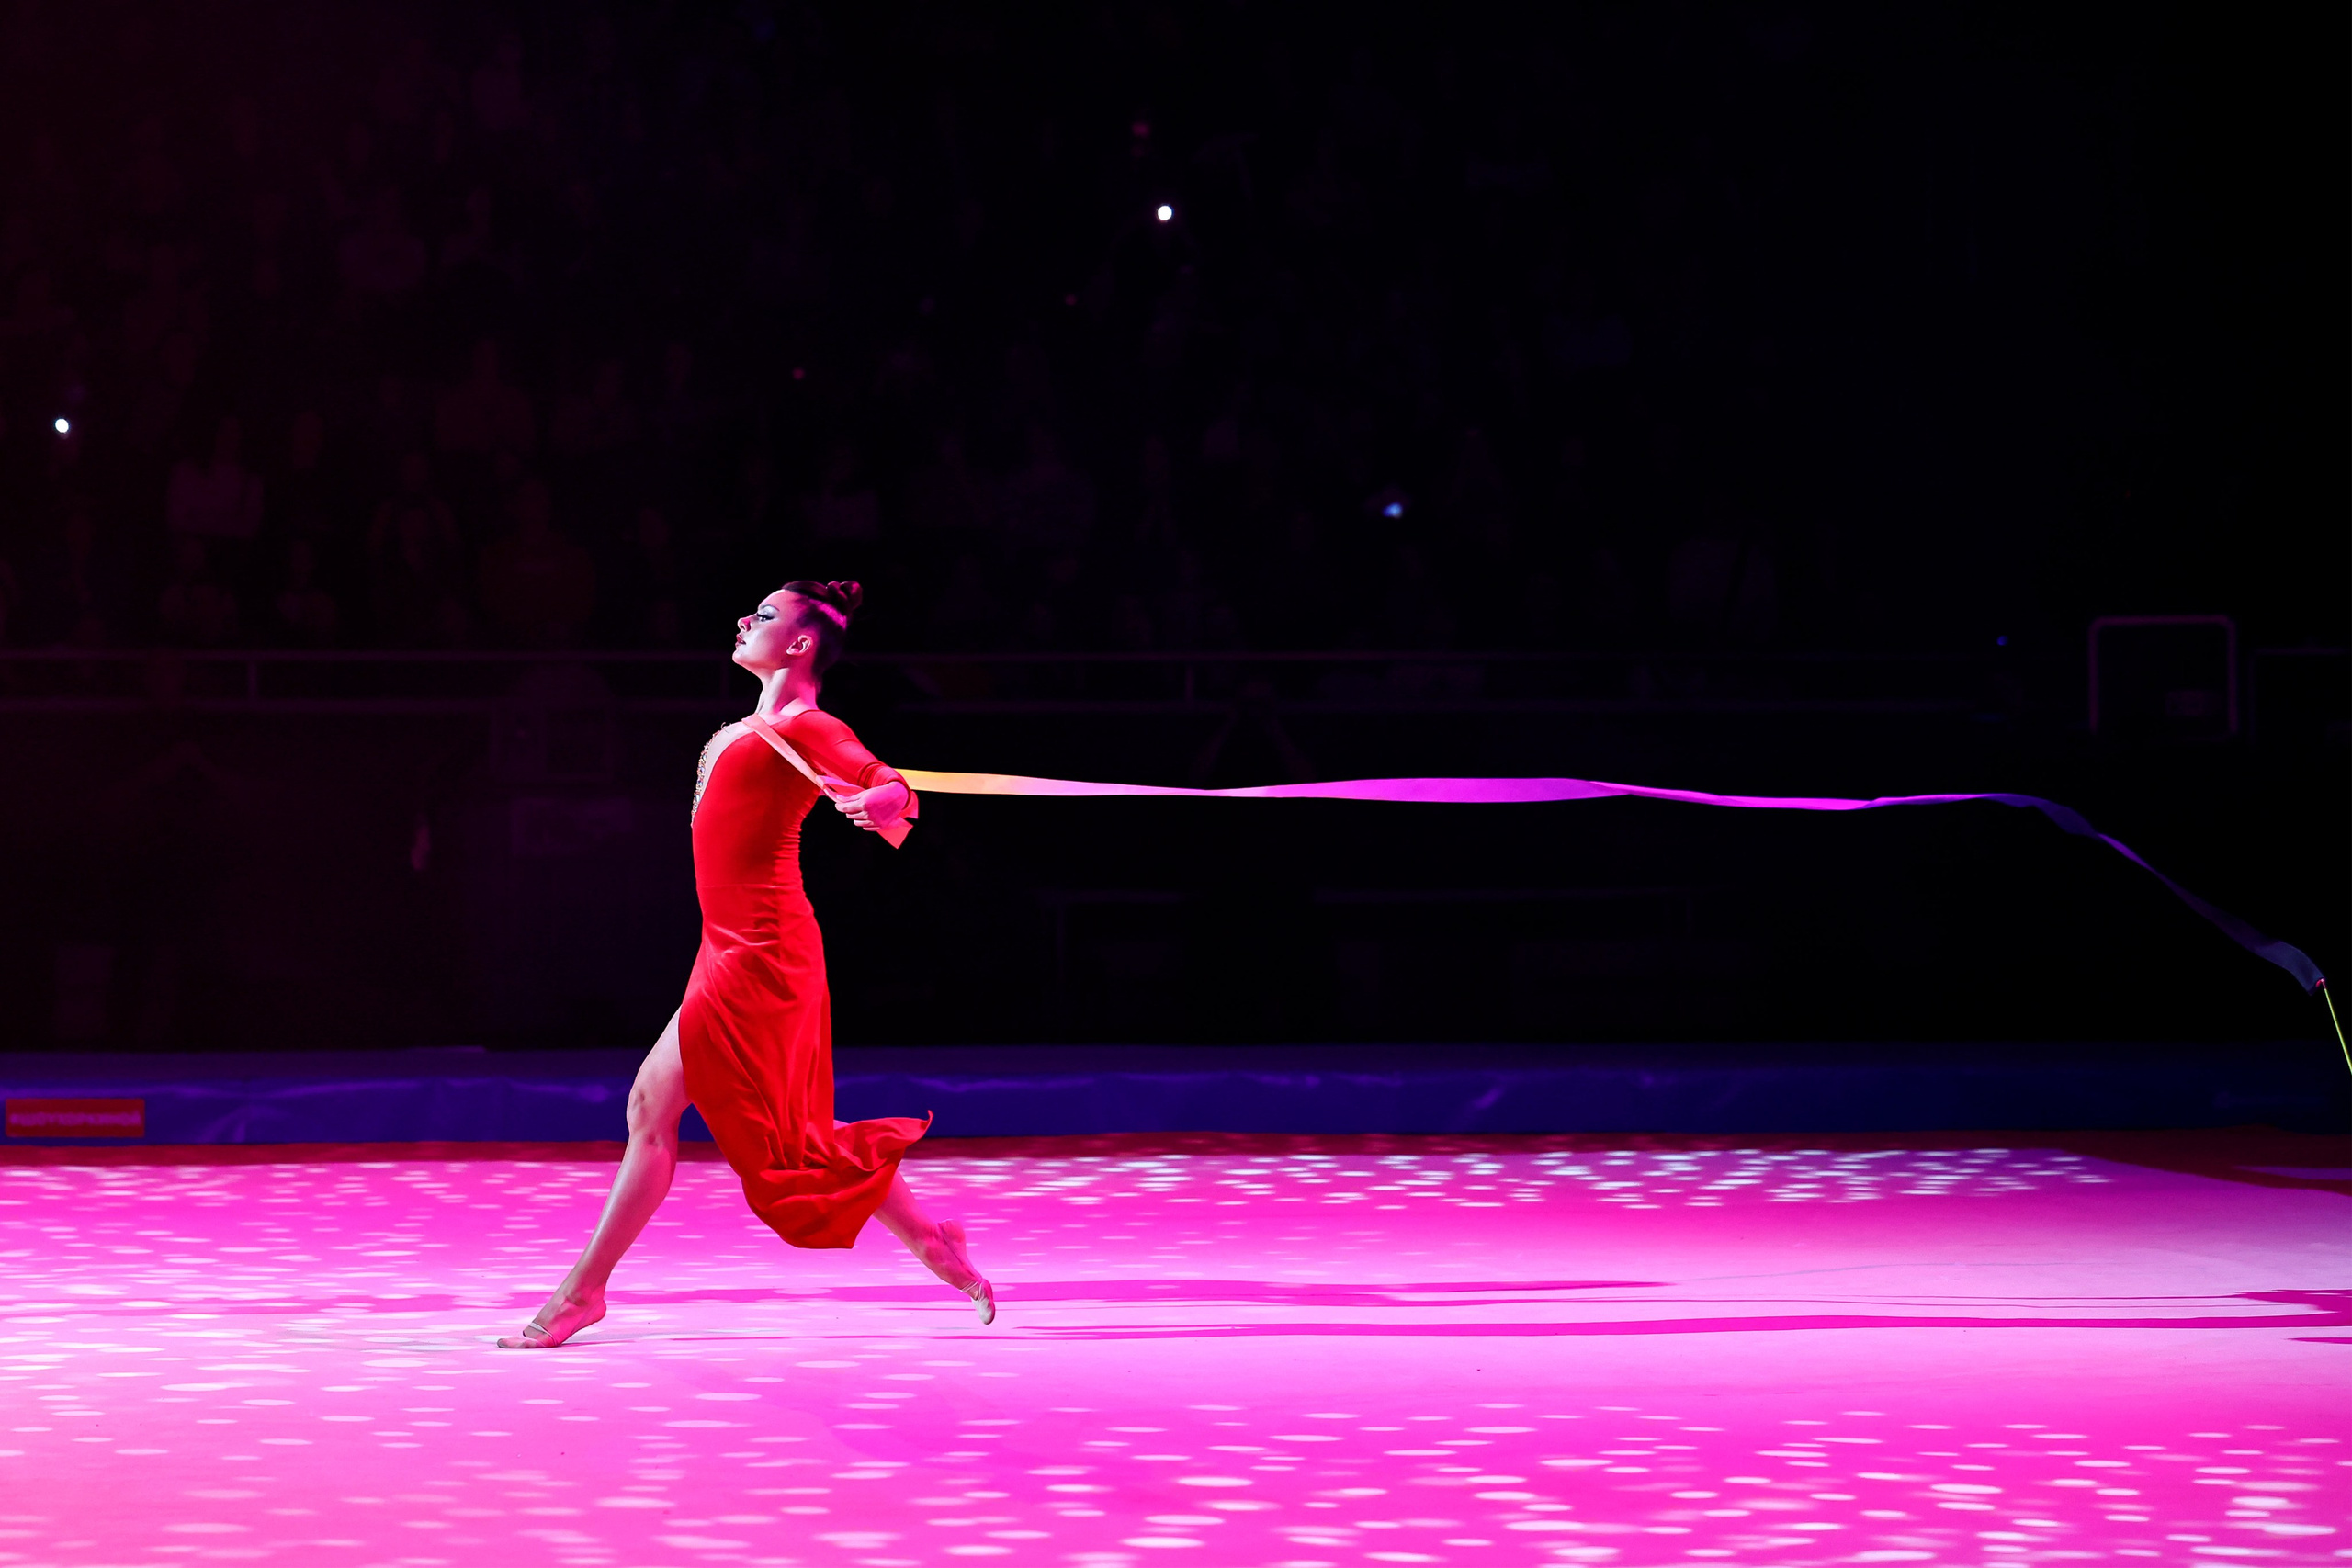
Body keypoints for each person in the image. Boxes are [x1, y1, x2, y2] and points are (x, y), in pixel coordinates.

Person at [500, 580, 993, 1348]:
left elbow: (882, 780)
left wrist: (888, 799)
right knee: (740, 1122)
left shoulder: (810, 724)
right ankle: (930, 1239)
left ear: (799, 643)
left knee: (662, 1110)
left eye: (762, 615)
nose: (743, 619)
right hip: (727, 944)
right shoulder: (753, 726)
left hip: (763, 951)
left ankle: (581, 1292)